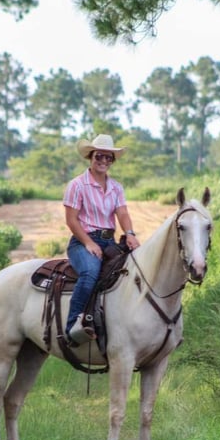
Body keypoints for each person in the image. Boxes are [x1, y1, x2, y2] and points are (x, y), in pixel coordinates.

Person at [63, 133, 140, 346]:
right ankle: (72, 327)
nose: (104, 161)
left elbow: (122, 213)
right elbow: (71, 220)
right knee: (89, 273)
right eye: (99, 156)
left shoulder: (116, 187)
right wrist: (88, 242)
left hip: (109, 241)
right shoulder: (77, 185)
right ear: (91, 157)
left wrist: (131, 234)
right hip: (83, 241)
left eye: (108, 158)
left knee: (134, 271)